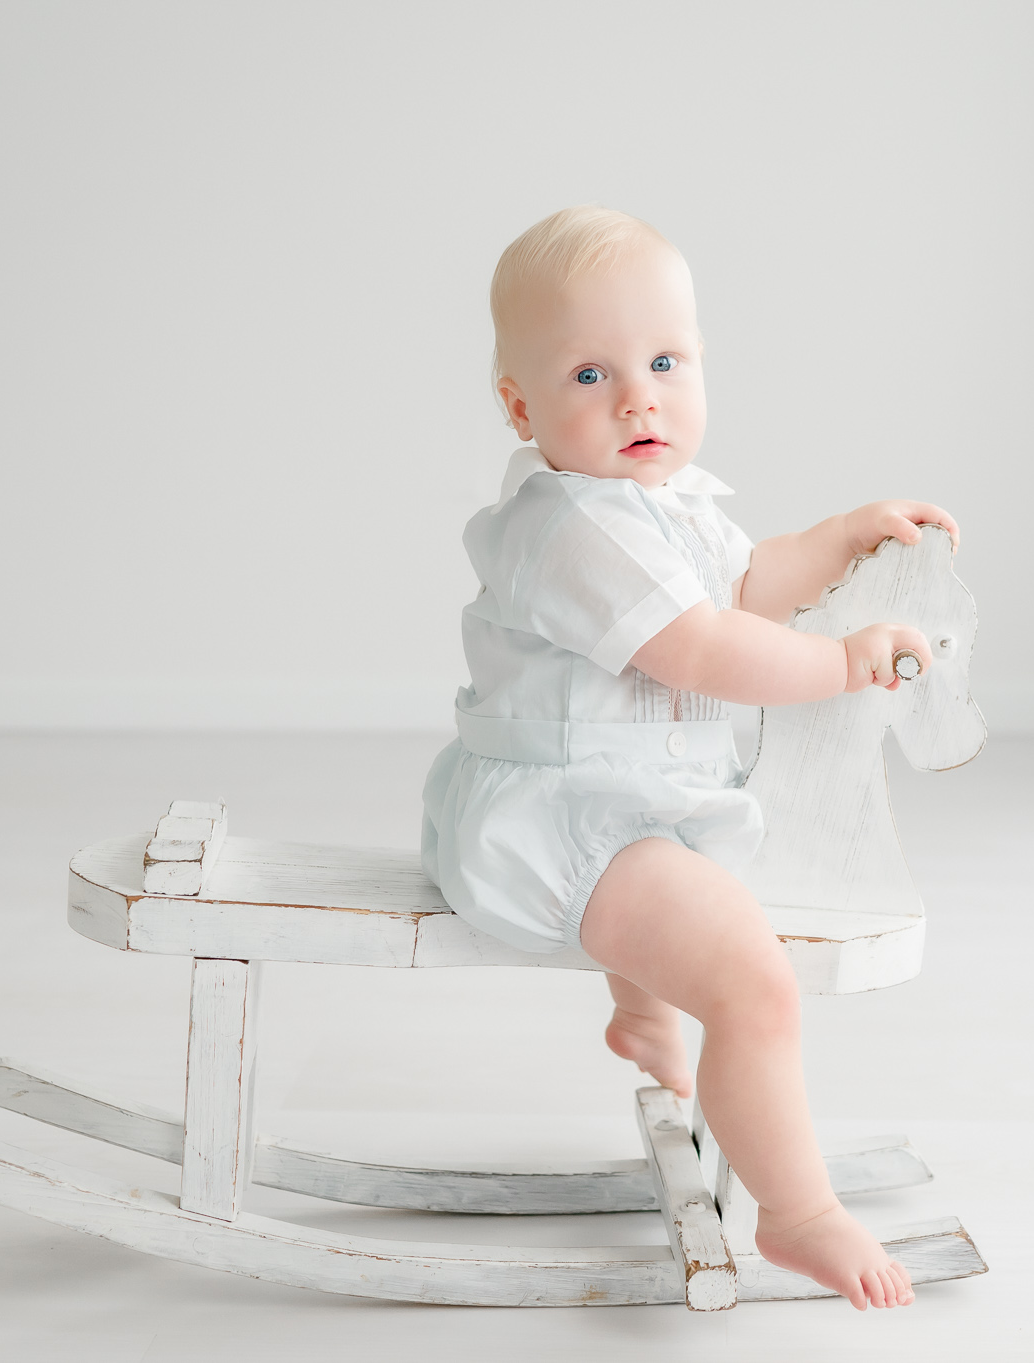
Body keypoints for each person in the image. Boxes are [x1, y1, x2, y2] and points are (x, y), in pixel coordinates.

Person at [421, 205, 958, 1310]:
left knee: (688, 893)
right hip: (559, 818)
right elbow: (706, 646)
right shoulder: (576, 530)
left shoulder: (659, 503)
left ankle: (642, 1007)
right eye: (587, 374)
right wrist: (844, 661)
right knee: (754, 982)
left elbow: (747, 580)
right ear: (519, 406)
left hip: (626, 805)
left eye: (664, 361)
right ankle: (798, 1210)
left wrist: (848, 533)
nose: (637, 397)